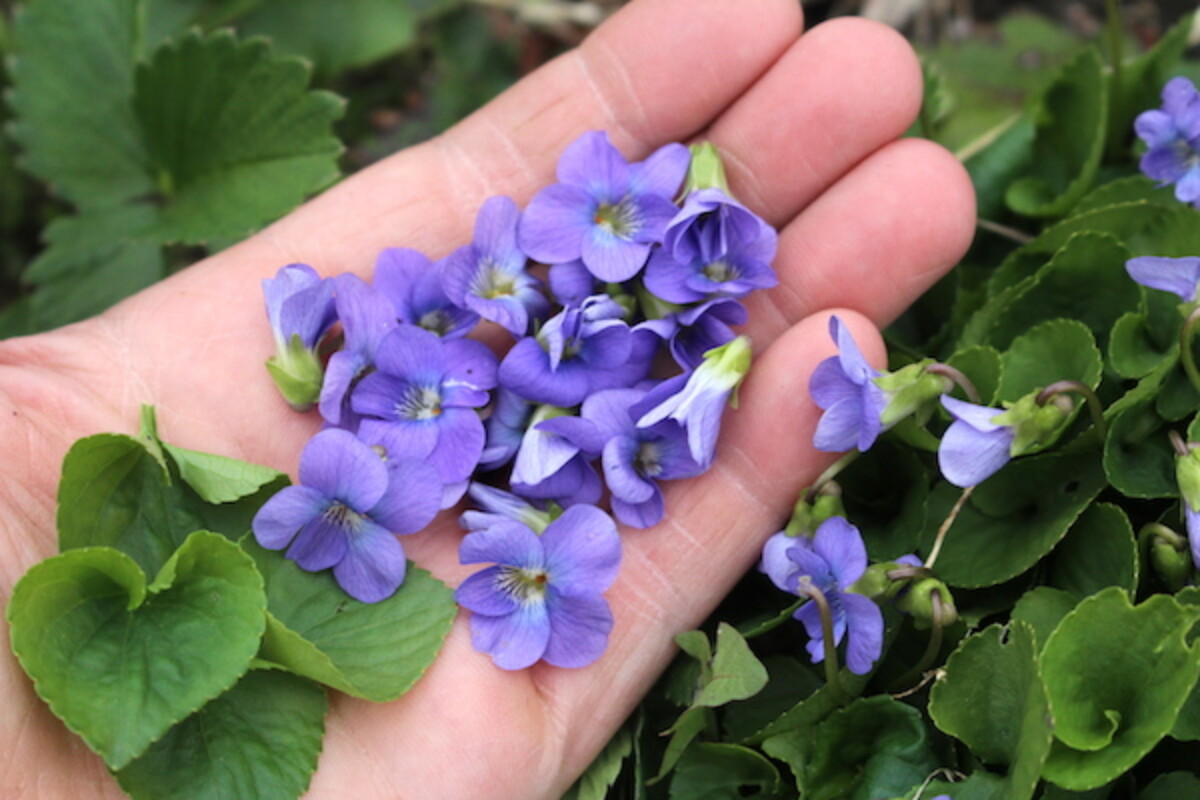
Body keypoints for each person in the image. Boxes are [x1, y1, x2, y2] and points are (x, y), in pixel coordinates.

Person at [0, 0, 974, 796]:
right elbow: (420, 441)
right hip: (514, 426)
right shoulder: (419, 425)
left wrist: (638, 369)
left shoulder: (479, 399)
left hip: (574, 408)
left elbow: (462, 433)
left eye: (621, 221)